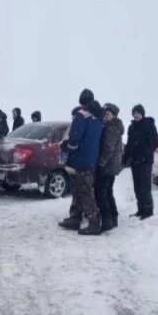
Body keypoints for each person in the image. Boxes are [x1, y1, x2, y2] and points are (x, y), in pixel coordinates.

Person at [58, 89, 104, 236]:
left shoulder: (81, 116)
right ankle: (75, 217)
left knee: (84, 191)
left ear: (81, 102)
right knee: (81, 189)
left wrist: (67, 147)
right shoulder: (98, 117)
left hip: (80, 158)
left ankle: (93, 223)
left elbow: (74, 138)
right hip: (91, 158)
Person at [123, 104, 158, 220]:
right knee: (137, 187)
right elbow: (129, 145)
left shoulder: (149, 125)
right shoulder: (131, 127)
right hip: (135, 162)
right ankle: (140, 209)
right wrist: (125, 158)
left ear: (142, 114)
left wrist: (145, 154)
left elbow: (155, 143)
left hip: (145, 162)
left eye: (138, 113)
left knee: (145, 187)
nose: (136, 115)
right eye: (134, 113)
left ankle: (148, 211)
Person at [96, 103, 124, 231]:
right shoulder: (112, 126)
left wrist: (100, 163)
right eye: (104, 114)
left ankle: (107, 220)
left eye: (107, 114)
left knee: (102, 193)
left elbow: (108, 149)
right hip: (111, 166)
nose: (105, 116)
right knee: (107, 192)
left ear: (114, 115)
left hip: (107, 166)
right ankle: (113, 217)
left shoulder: (111, 128)